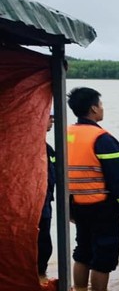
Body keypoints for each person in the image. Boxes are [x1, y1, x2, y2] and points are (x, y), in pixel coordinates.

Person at [66, 87, 119, 291]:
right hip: (102, 207)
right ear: (93, 108)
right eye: (100, 104)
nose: (102, 108)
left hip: (77, 204)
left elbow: (59, 174)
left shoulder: (65, 134)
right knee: (103, 256)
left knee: (83, 251)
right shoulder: (102, 138)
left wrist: (68, 207)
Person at [38, 112, 56, 278]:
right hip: (34, 208)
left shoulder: (48, 149)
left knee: (44, 246)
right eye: (49, 116)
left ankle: (41, 279)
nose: (53, 120)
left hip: (45, 205)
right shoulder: (28, 148)